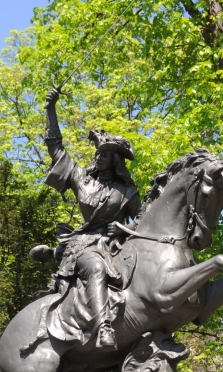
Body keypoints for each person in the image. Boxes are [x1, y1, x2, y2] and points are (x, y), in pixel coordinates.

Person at [29, 88, 141, 348]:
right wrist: (50, 109)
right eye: (98, 153)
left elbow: (142, 222)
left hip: (118, 245)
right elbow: (55, 148)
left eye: (104, 154)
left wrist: (124, 229)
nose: (98, 157)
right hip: (86, 244)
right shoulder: (81, 179)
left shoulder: (127, 191)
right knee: (96, 268)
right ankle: (103, 328)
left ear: (115, 161)